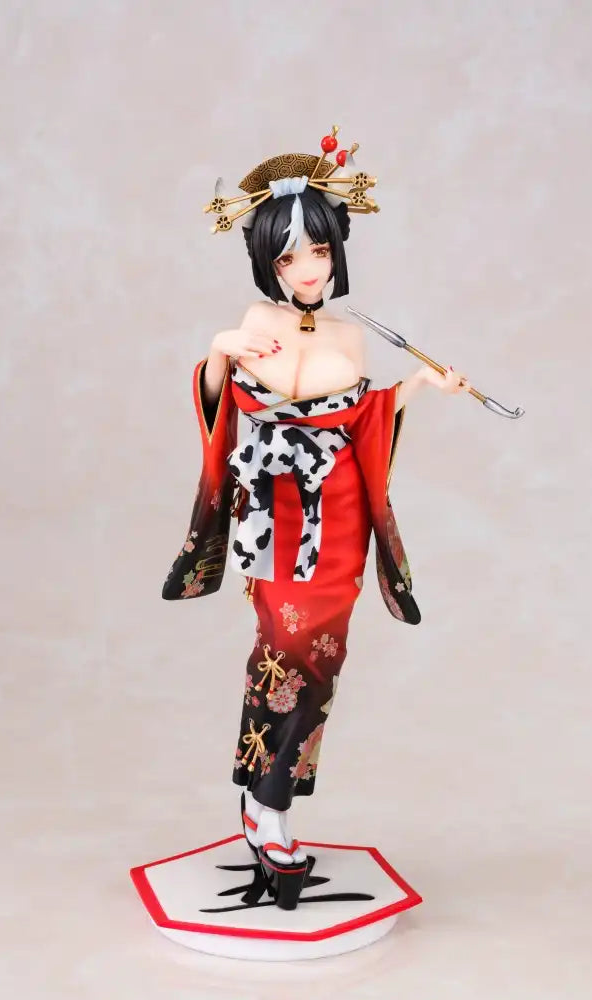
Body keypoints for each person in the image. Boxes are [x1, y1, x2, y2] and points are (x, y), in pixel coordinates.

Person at [162, 129, 471, 910]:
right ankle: (263, 805)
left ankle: (267, 802)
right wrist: (219, 351)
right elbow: (219, 402)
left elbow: (360, 417)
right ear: (265, 261)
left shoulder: (348, 333)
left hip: (338, 511)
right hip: (272, 508)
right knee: (282, 644)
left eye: (319, 252)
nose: (307, 269)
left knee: (322, 657)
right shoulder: (251, 319)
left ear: (336, 251)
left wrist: (420, 388)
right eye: (290, 256)